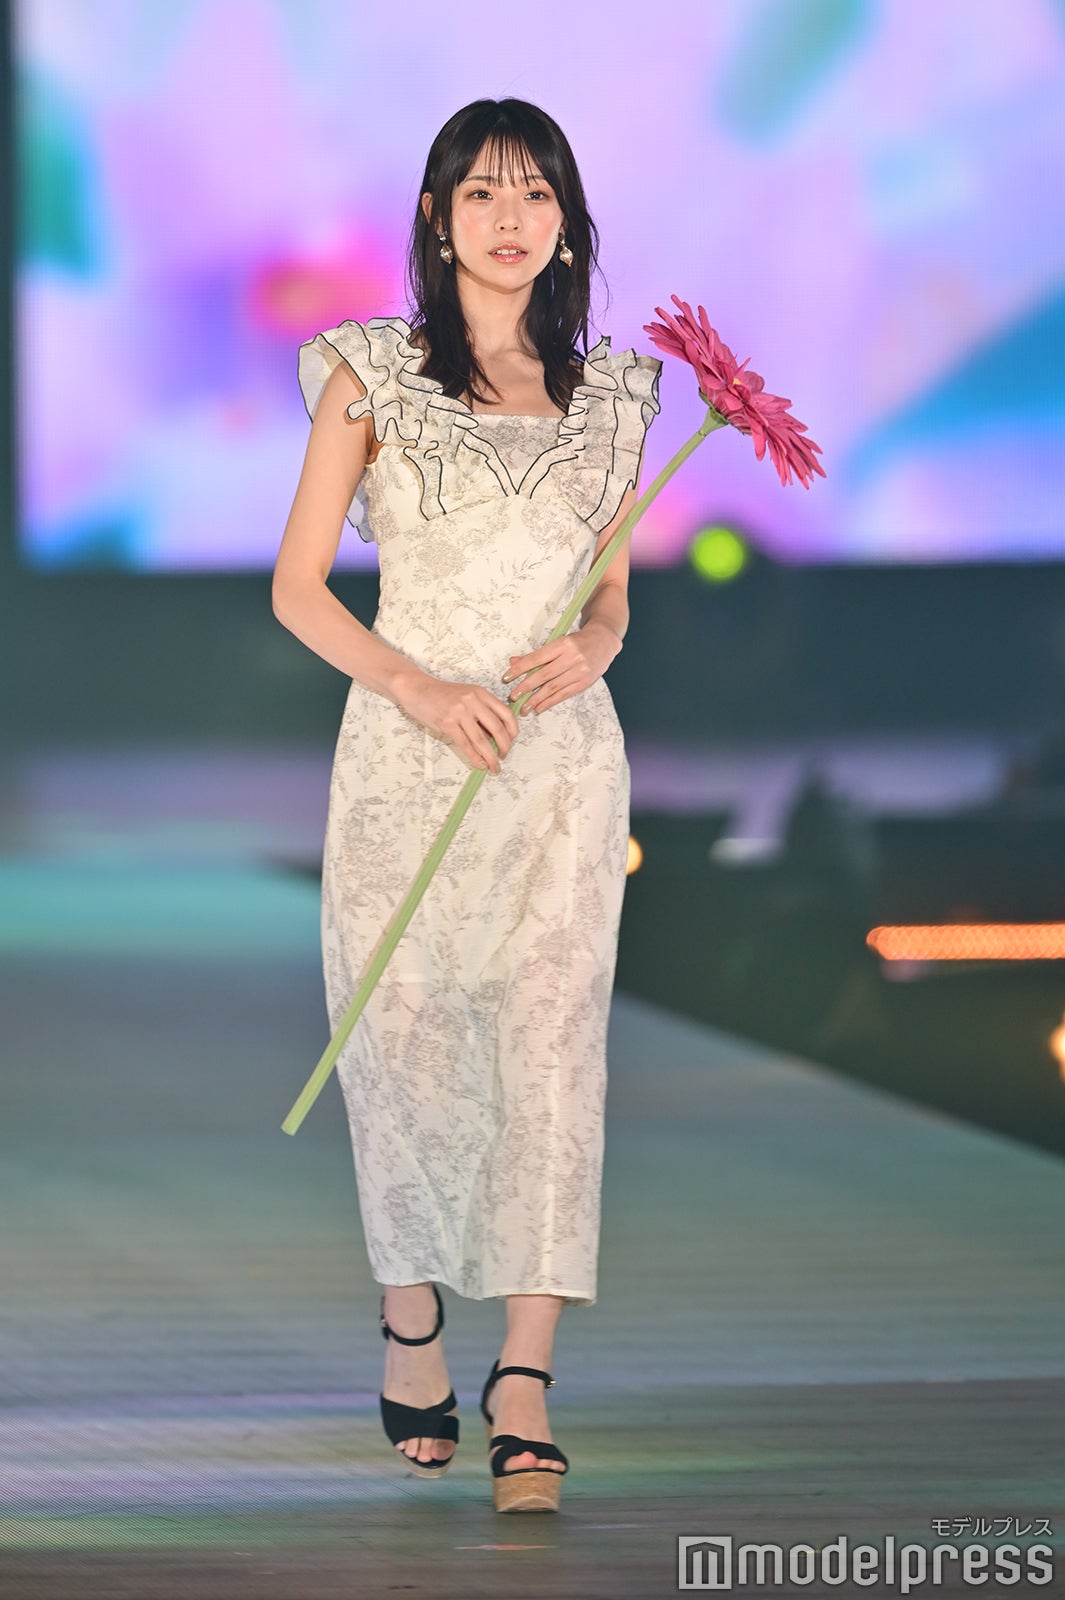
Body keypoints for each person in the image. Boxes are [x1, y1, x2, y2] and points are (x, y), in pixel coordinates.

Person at [272, 97, 661, 1514]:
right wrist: (422, 691)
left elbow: (610, 594)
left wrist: (599, 644)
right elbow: (299, 589)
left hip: (560, 768)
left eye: (536, 194)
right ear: (437, 218)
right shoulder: (370, 374)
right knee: (404, 1039)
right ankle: (412, 1320)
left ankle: (527, 1378)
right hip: (410, 754)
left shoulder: (617, 398)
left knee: (552, 1051)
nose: (511, 219)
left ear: (568, 223)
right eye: (483, 193)